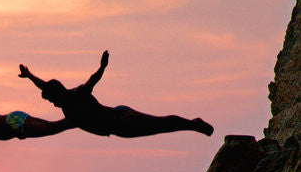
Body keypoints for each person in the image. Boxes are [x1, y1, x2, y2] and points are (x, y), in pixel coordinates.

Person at [18, 51, 214, 137]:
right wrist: (29, 76)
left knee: (160, 125)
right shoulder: (63, 100)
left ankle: (193, 124)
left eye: (52, 100)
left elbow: (92, 80)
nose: (53, 104)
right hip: (118, 126)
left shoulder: (76, 95)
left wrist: (102, 66)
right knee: (160, 126)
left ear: (58, 94)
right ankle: (191, 124)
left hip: (122, 120)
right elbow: (45, 86)